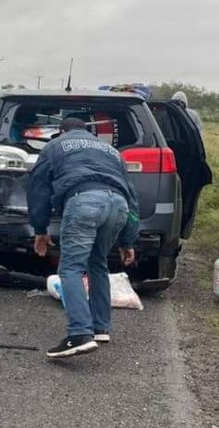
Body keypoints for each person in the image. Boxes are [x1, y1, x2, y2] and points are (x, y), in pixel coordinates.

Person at [27, 117, 140, 359]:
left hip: (84, 201)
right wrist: (128, 241)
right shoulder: (111, 151)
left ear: (61, 131)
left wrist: (40, 229)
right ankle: (100, 328)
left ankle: (79, 334)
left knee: (71, 268)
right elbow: (132, 196)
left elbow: (38, 188)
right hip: (118, 205)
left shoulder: (55, 146)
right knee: (97, 263)